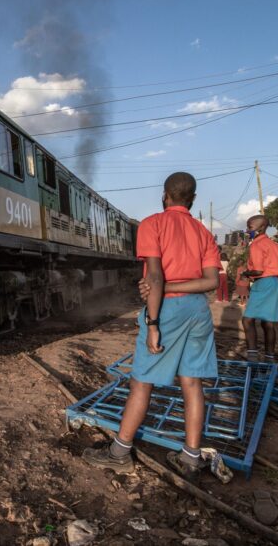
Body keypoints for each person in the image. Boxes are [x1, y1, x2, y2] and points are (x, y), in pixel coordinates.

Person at [82, 172, 221, 480]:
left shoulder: (152, 224)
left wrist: (154, 321)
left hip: (166, 309)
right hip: (198, 310)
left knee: (142, 383)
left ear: (164, 195)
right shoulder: (202, 231)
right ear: (193, 199)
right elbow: (212, 281)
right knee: (193, 383)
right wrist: (175, 286)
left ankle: (119, 453)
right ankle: (190, 458)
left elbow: (155, 277)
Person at [240, 215, 278, 361]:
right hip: (274, 283)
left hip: (263, 282)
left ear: (261, 228)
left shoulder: (256, 245)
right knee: (268, 322)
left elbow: (258, 271)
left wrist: (245, 273)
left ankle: (252, 355)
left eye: (250, 227)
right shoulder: (275, 245)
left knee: (247, 320)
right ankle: (269, 357)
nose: (247, 230)